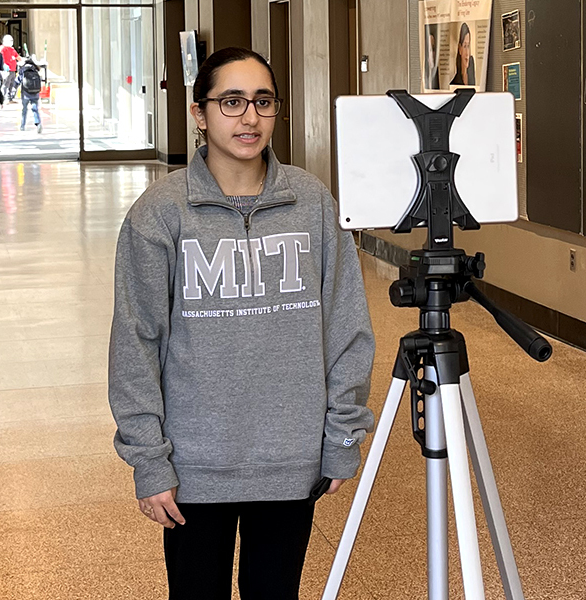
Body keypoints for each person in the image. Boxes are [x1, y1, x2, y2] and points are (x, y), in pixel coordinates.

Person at [108, 47, 375, 599]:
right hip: (194, 467)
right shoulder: (159, 214)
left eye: (262, 102)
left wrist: (342, 436)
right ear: (200, 114)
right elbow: (136, 344)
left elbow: (347, 327)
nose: (249, 117)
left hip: (292, 462)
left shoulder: (312, 204)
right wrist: (148, 460)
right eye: (231, 102)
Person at [15, 56, 43, 133]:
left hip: (25, 93)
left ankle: (22, 125)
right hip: (35, 93)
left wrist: (14, 89)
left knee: (24, 110)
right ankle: (38, 123)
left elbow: (18, 81)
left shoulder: (23, 70)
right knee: (35, 108)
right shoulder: (36, 69)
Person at [449, 22, 476, 87]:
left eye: (468, 46)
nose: (467, 53)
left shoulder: (471, 69)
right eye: (465, 46)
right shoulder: (454, 83)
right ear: (460, 49)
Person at [0, 34, 21, 101]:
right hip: (6, 70)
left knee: (12, 84)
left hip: (13, 69)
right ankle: (3, 98)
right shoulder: (2, 48)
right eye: (9, 41)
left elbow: (18, 57)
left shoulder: (12, 49)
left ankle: (10, 98)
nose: (11, 42)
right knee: (5, 84)